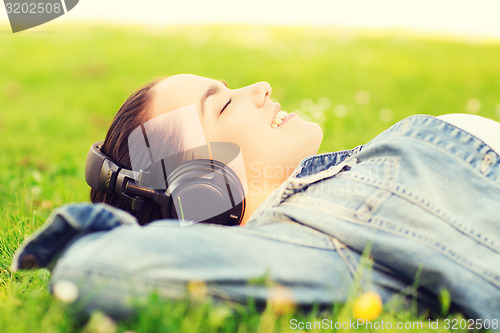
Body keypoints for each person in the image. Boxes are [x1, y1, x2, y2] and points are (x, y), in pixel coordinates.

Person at [11, 75, 500, 325]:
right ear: (203, 190)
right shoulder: (313, 245)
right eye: (223, 104)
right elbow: (97, 267)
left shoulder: (330, 192)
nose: (261, 88)